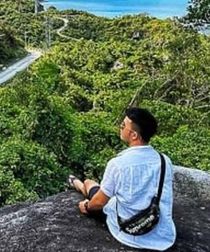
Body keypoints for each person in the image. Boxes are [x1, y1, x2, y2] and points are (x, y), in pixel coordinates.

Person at [68, 107, 175, 250]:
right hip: (161, 235)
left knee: (89, 183)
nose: (120, 127)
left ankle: (79, 185)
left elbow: (99, 203)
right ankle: (79, 183)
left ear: (134, 135)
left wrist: (86, 206)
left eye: (123, 125)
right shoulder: (164, 161)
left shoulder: (118, 164)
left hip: (129, 232)